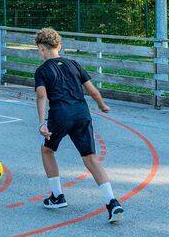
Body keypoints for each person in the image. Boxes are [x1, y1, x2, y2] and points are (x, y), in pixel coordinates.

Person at [33, 26, 125, 223]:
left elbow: (41, 95)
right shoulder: (74, 64)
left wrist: (42, 122)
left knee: (47, 150)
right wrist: (102, 105)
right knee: (90, 158)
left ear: (41, 48)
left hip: (61, 114)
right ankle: (112, 202)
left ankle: (57, 196)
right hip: (82, 113)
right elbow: (92, 91)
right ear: (59, 46)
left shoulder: (42, 70)